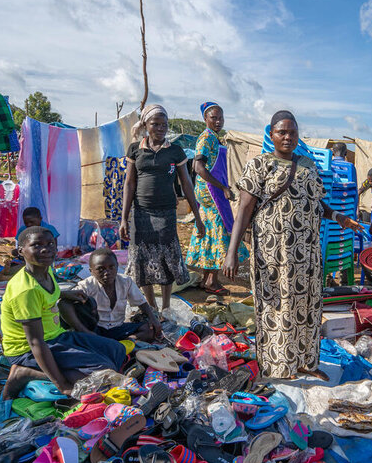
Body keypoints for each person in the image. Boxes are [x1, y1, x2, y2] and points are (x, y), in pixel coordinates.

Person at [222, 111, 362, 380]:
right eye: (281, 132)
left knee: (308, 306)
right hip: (273, 254)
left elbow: (317, 203)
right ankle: (279, 367)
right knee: (277, 306)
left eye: (292, 132)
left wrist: (339, 217)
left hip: (308, 253)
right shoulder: (259, 166)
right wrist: (232, 252)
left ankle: (306, 363)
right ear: (271, 135)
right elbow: (244, 210)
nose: (287, 137)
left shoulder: (308, 165)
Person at [0, 227, 126, 399]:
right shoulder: (26, 291)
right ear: (21, 251)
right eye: (36, 245)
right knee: (102, 375)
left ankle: (61, 369)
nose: (45, 249)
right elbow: (35, 342)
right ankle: (23, 373)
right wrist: (63, 385)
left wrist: (64, 293)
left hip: (55, 337)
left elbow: (47, 294)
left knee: (116, 350)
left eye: (50, 244)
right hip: (26, 350)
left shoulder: (45, 270)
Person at [120, 104, 205, 313]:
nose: (160, 128)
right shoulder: (135, 149)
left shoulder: (175, 151)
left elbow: (186, 183)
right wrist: (124, 218)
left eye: (164, 124)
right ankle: (150, 305)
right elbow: (129, 183)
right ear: (146, 125)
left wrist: (198, 216)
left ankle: (166, 307)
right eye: (155, 124)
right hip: (141, 213)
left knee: (168, 259)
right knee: (143, 259)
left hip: (166, 213)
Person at [186, 102, 248, 295]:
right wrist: (222, 187)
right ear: (205, 119)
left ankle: (207, 278)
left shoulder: (214, 138)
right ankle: (211, 280)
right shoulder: (206, 139)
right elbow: (198, 167)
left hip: (209, 190)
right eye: (214, 117)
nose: (218, 121)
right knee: (218, 233)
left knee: (208, 232)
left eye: (221, 117)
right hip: (211, 192)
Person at [73, 248, 161, 343]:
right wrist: (81, 327)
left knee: (149, 330)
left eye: (111, 267)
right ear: (91, 271)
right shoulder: (86, 285)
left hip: (118, 327)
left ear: (117, 266)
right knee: (82, 338)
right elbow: (64, 303)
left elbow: (141, 302)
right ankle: (118, 344)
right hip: (96, 329)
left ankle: (123, 342)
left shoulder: (125, 281)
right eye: (101, 269)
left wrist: (153, 319)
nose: (107, 273)